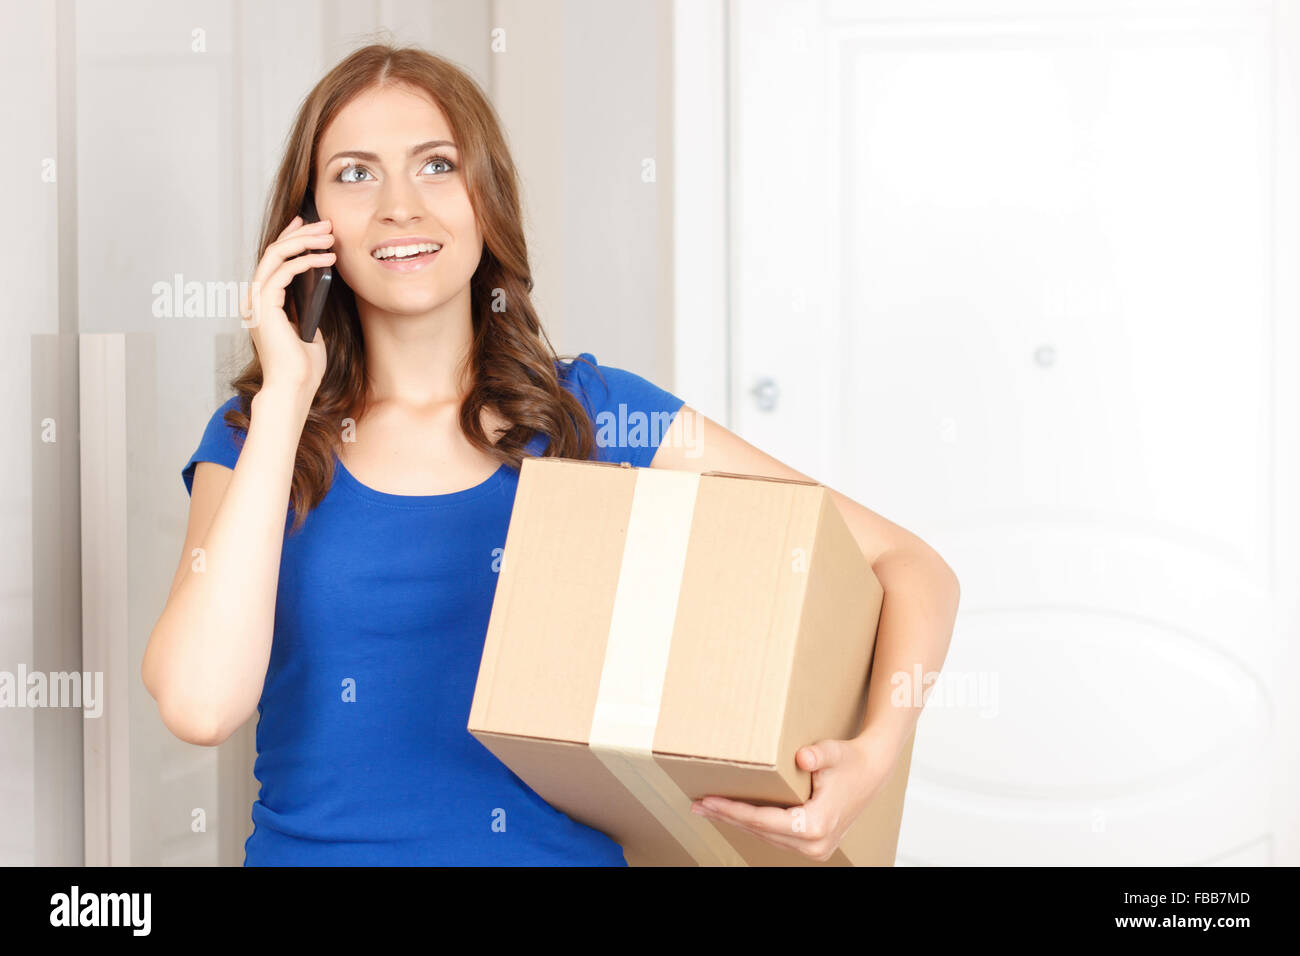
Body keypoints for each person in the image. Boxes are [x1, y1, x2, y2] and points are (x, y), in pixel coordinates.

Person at [142, 43, 961, 867]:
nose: (398, 205)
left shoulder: (595, 415)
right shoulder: (258, 435)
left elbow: (911, 566)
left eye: (436, 165)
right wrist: (287, 396)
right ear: (310, 228)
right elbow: (201, 705)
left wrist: (873, 755)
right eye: (355, 174)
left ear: (485, 197)